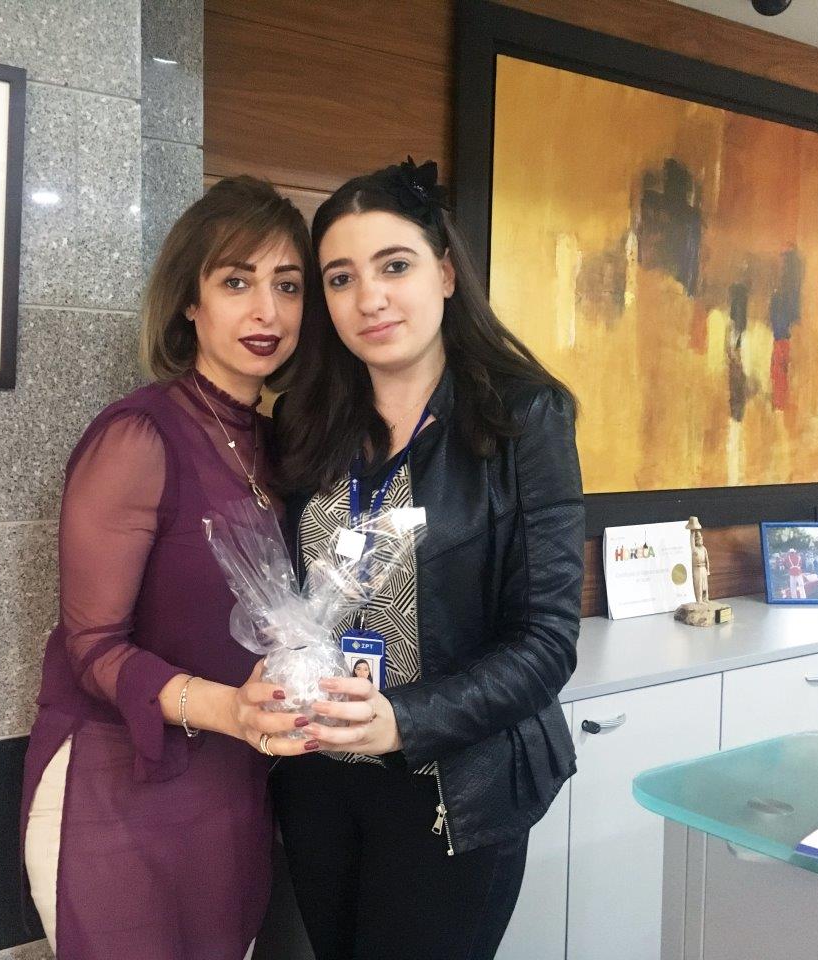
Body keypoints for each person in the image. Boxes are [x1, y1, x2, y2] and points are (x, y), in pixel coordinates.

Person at [272, 158, 585, 960]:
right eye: (340, 278)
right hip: (319, 781)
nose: (369, 298)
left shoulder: (523, 418)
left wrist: (404, 719)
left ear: (445, 274)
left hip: (452, 785)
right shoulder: (308, 420)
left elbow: (548, 641)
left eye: (395, 266)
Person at [20, 176, 321, 960]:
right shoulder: (138, 436)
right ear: (190, 301)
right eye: (237, 282)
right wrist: (229, 710)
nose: (267, 311)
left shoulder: (279, 448)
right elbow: (92, 646)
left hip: (234, 785)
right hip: (119, 783)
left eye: (288, 286)